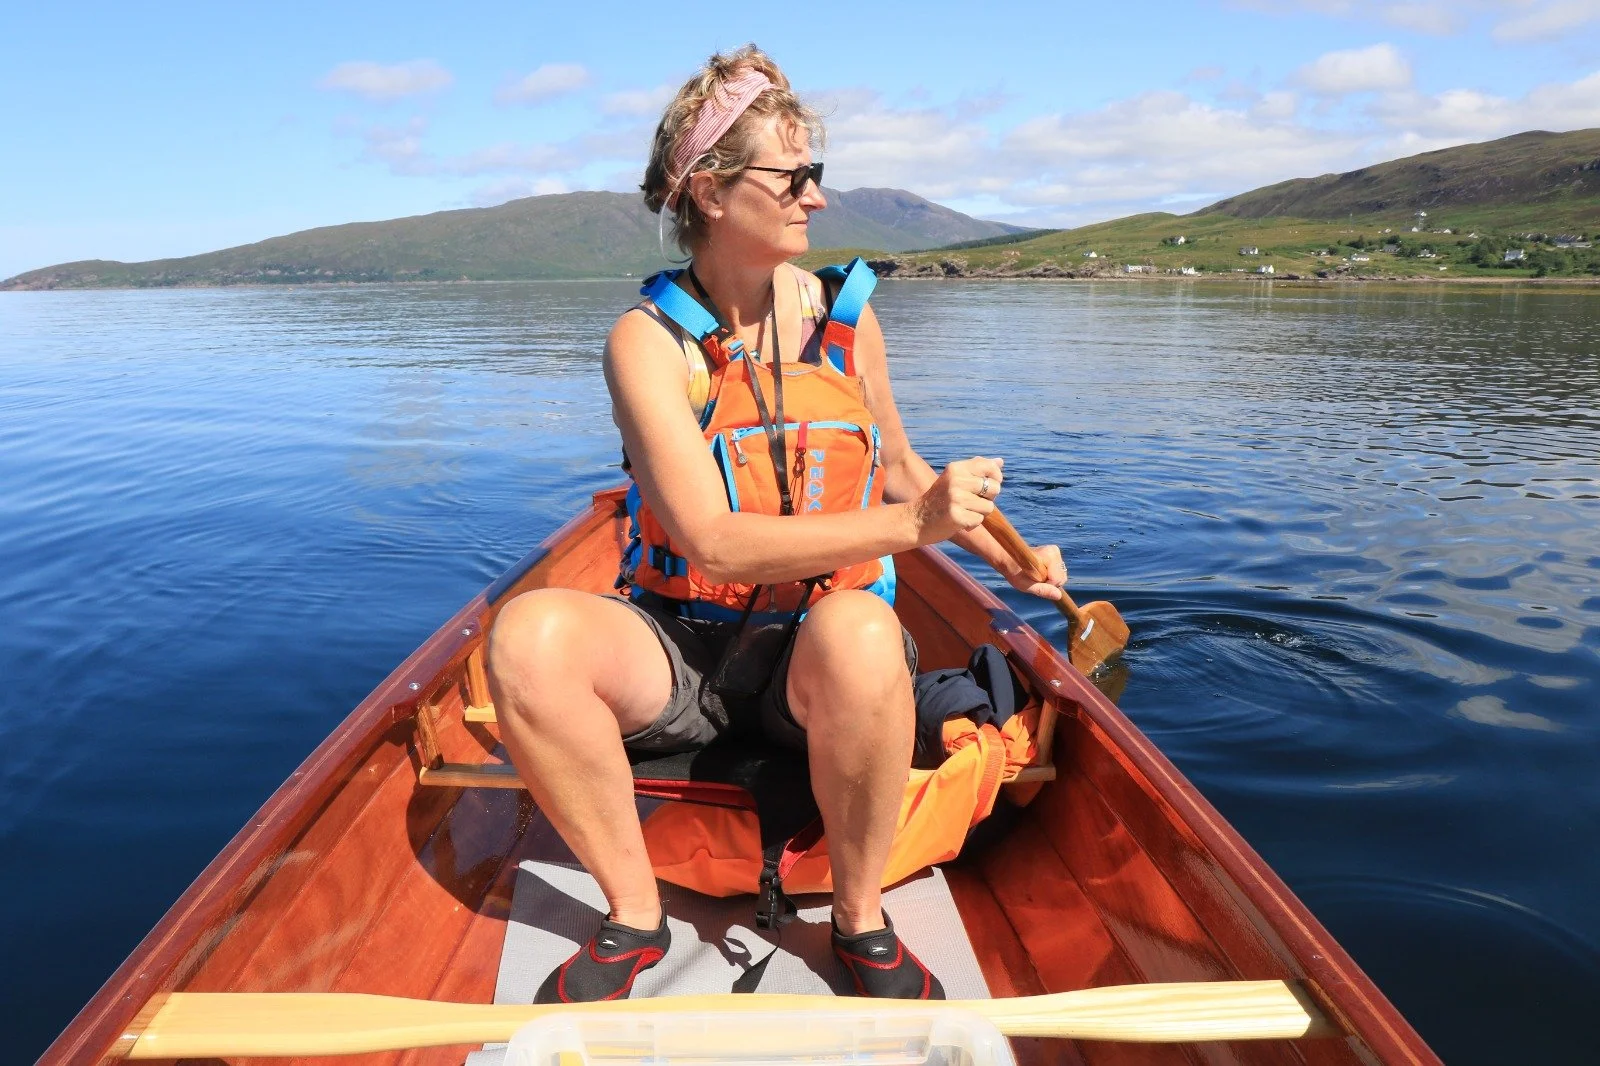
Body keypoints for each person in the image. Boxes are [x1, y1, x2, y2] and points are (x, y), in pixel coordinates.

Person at [486, 45, 1066, 1004]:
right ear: (711, 194)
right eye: (792, 177)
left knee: (864, 627)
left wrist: (1006, 550)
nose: (816, 199)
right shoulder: (648, 342)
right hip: (681, 643)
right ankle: (634, 914)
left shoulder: (845, 317)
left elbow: (904, 470)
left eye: (815, 175)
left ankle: (858, 923)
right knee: (526, 635)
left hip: (816, 656)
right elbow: (710, 539)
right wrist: (910, 524)